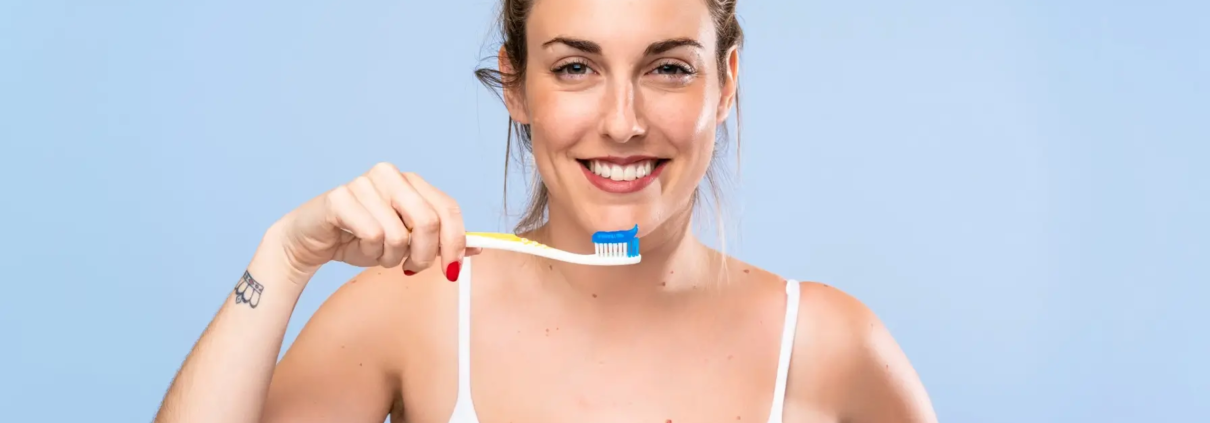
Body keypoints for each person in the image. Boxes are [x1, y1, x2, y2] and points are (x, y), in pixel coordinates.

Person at [153, 0, 938, 421]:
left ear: (725, 83)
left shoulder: (832, 348)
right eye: (575, 68)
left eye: (668, 68)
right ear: (517, 86)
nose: (624, 121)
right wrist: (283, 258)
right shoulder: (414, 312)